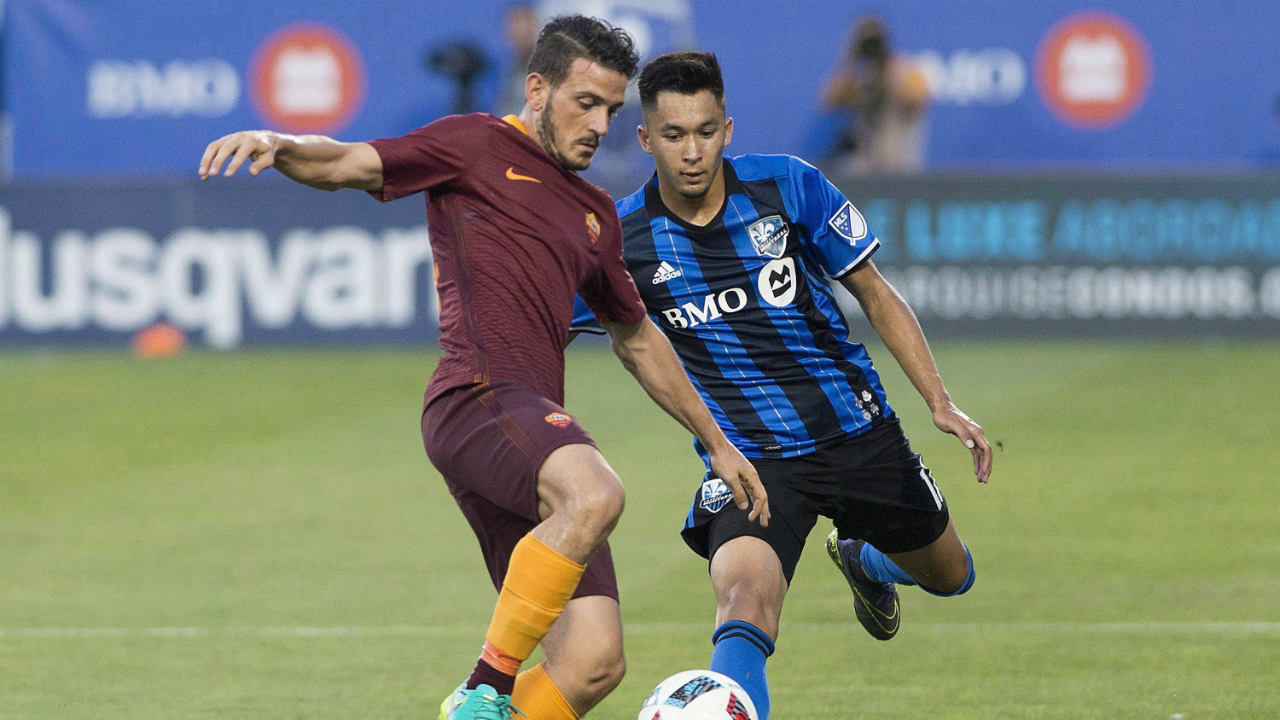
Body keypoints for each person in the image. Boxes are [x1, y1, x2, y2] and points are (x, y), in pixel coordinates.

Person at [199, 19, 768, 720]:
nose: (599, 125)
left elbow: (638, 338)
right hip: (476, 398)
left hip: (525, 430)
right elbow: (347, 163)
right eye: (584, 102)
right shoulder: (473, 144)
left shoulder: (595, 214)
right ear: (538, 88)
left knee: (593, 663)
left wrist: (717, 442)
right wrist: (280, 145)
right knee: (594, 494)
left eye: (612, 111)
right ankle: (485, 690)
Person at [570, 52, 991, 720]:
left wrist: (939, 400)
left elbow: (875, 294)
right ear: (646, 139)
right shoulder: (620, 243)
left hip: (860, 437)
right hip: (750, 462)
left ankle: (867, 560)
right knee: (745, 604)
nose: (691, 151)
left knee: (953, 575)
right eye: (673, 135)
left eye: (705, 131)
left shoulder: (789, 187)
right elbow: (536, 325)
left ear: (727, 129)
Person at [819, 17, 930, 174]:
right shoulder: (859, 77)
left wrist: (890, 74)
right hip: (866, 167)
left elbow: (917, 101)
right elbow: (828, 102)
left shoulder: (906, 71)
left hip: (901, 166)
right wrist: (850, 59)